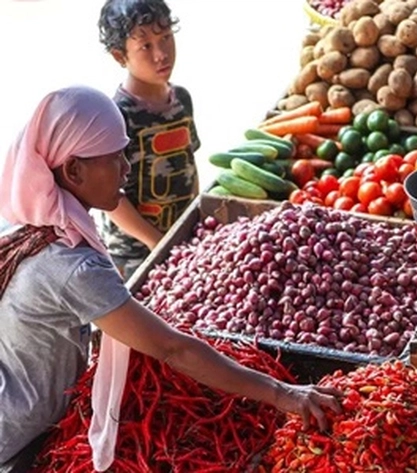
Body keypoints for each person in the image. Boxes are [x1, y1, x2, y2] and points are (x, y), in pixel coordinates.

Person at [0, 86, 341, 470]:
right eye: (115, 159)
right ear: (74, 170)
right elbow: (173, 350)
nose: (127, 170)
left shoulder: (29, 225)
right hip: (14, 437)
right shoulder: (71, 267)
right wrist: (282, 394)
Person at [97, 0, 200, 279]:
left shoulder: (181, 99)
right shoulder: (117, 115)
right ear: (120, 57)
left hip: (181, 241)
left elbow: (190, 164)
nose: (161, 54)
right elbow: (109, 198)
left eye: (166, 38)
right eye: (146, 46)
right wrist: (158, 242)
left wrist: (193, 224)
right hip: (134, 254)